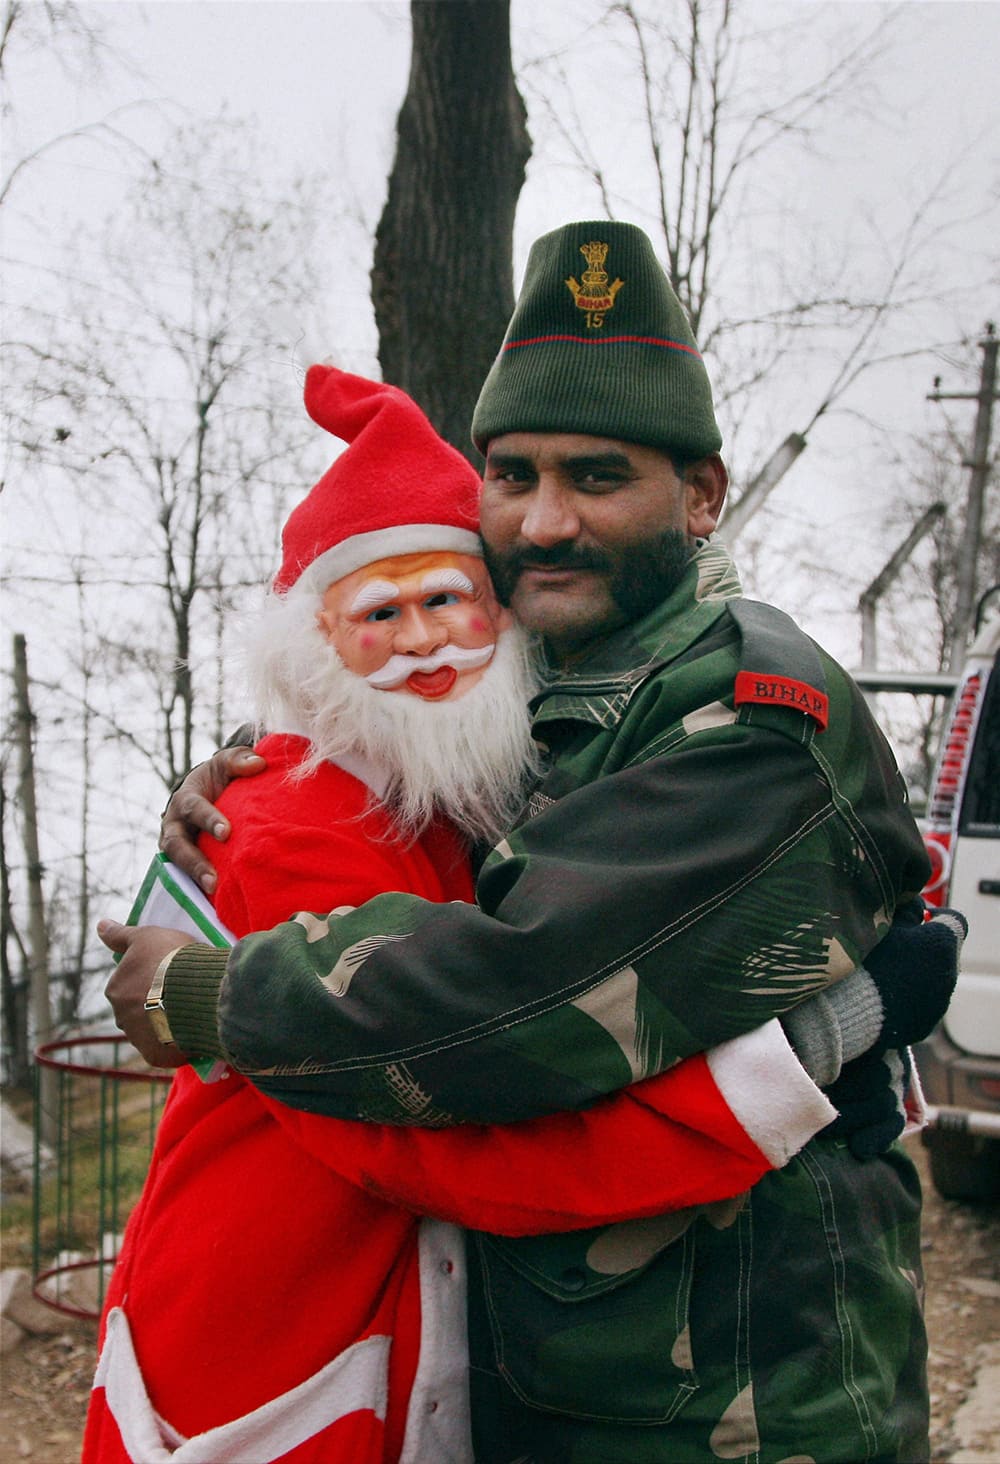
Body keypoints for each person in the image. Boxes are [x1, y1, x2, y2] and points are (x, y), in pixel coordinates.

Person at [102, 223, 961, 1462]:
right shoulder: (539, 679)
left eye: (598, 478)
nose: (543, 523)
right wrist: (275, 765)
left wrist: (218, 991)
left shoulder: (751, 717)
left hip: (739, 1404)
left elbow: (513, 1008)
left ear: (702, 494)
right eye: (510, 476)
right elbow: (403, 771)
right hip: (556, 1381)